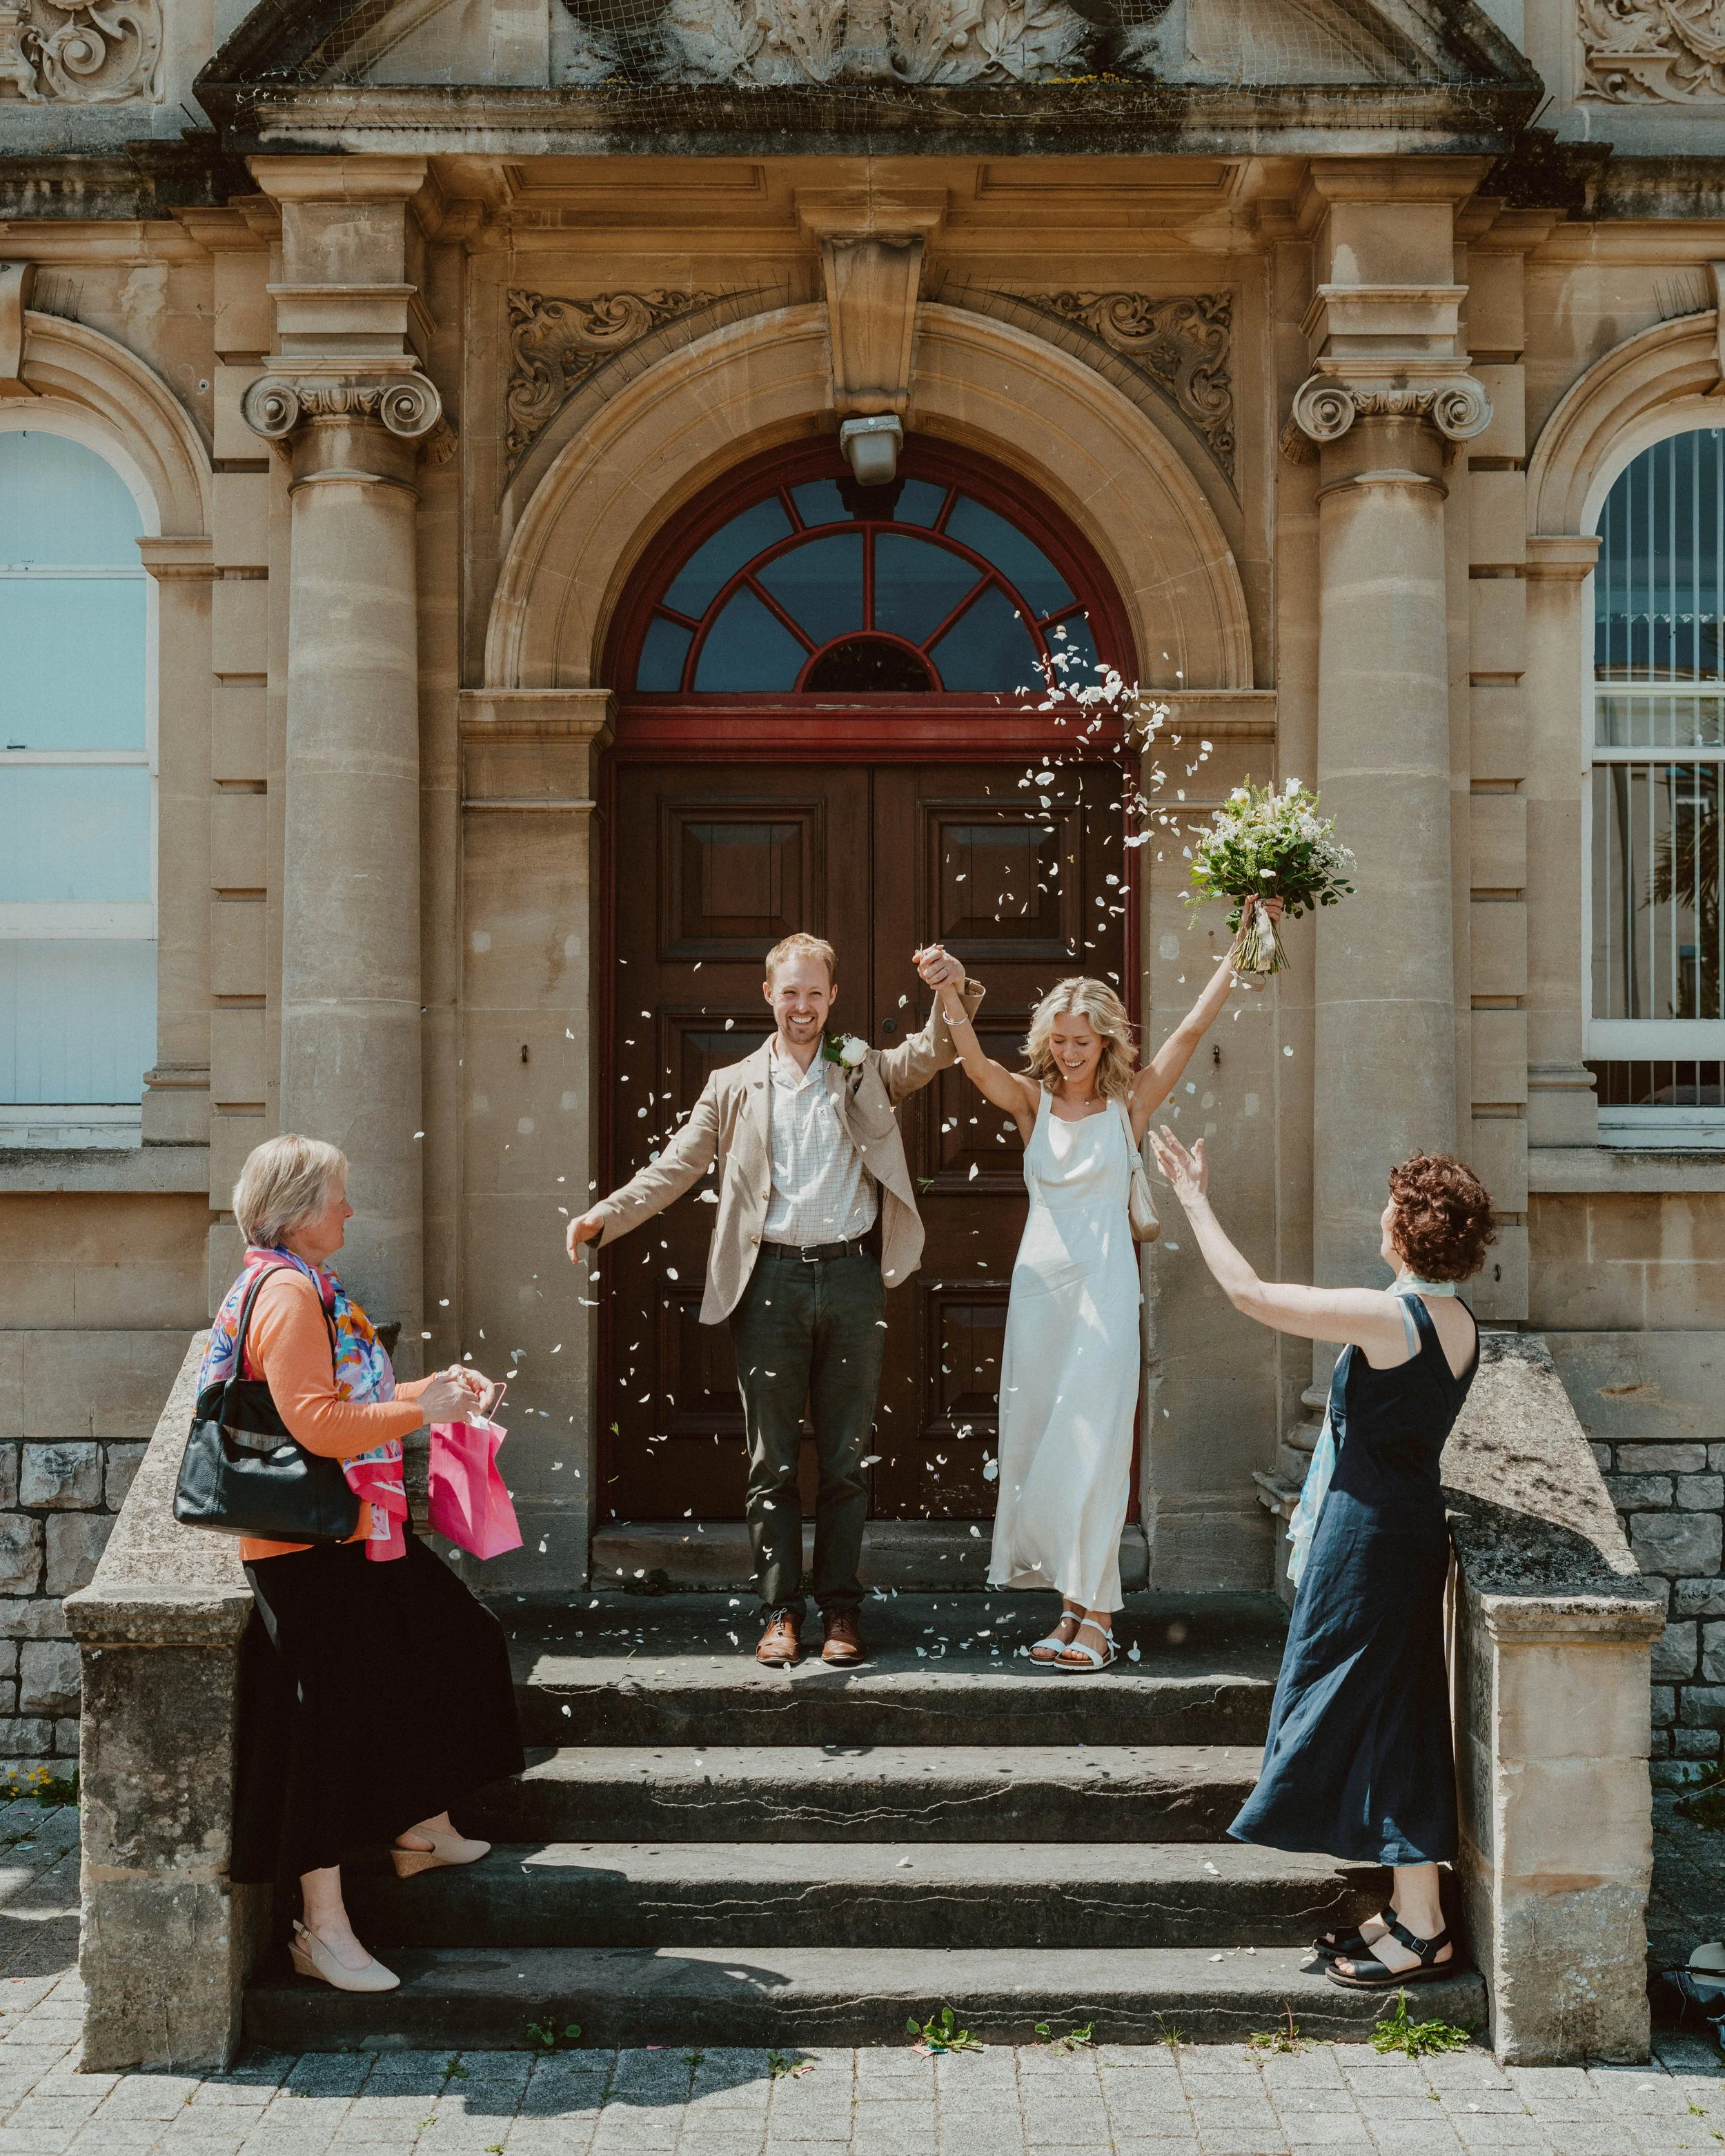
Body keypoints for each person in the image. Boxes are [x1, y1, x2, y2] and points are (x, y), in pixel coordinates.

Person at [566, 932, 980, 1669]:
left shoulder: (864, 1065)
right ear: (768, 994)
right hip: (769, 1284)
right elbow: (675, 1165)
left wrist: (949, 985)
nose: (802, 1005)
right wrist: (607, 1215)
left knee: (848, 1458)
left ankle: (842, 1609)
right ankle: (781, 1611)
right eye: (789, 991)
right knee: (773, 1463)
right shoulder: (731, 1084)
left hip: (852, 1279)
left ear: (833, 996)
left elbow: (936, 1050)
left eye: (814, 992)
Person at [1149, 1129, 1495, 1989]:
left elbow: (1248, 1292)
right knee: (1396, 1714)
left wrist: (1192, 1197)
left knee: (1354, 1705)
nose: (1378, 1214)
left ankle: (1423, 1926)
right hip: (1405, 1529)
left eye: (1390, 1204)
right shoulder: (1457, 1320)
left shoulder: (1392, 1316)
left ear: (1407, 1225)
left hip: (1367, 1536)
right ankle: (1415, 1913)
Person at [926, 901, 1276, 1672]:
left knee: (1097, 1446)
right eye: (1059, 1040)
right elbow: (976, 1066)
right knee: (1045, 1447)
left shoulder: (1130, 1105)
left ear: (1106, 1041)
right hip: (1040, 1291)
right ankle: (1072, 1610)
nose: (1070, 1052)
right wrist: (949, 993)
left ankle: (1100, 1618)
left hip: (1106, 1288)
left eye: (1082, 1041)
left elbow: (1187, 1031)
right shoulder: (1032, 1100)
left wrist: (1244, 945)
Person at [210, 1134, 523, 1995]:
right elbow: (317, 1424)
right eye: (338, 1195)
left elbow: (352, 1400)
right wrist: (419, 1416)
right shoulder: (286, 1295)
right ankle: (324, 1928)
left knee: (447, 1639)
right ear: (300, 1206)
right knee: (322, 1733)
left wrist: (433, 1390)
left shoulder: (310, 1287)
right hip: (304, 1545)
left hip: (348, 1532)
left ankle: (417, 1822)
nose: (349, 1209)